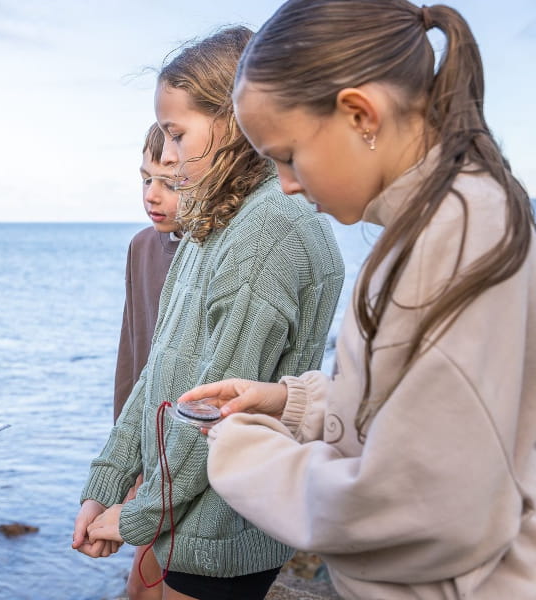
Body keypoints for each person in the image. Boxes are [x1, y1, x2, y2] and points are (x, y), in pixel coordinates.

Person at [179, 2, 536, 599]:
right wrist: (288, 405)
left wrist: (240, 448)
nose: (287, 184)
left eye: (288, 156)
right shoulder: (453, 217)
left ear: (360, 114)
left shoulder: (450, 246)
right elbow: (424, 410)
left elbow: (421, 506)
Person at [72, 26, 345, 600]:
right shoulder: (213, 224)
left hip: (223, 531)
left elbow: (211, 412)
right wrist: (108, 482)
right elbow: (157, 376)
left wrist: (139, 515)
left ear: (235, 117)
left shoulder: (267, 231)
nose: (167, 156)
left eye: (176, 135)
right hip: (188, 517)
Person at [115, 123, 182, 600]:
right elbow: (132, 354)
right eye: (145, 180)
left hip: (196, 451)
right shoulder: (141, 247)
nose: (152, 195)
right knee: (140, 587)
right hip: (148, 447)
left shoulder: (217, 249)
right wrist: (125, 461)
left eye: (170, 183)